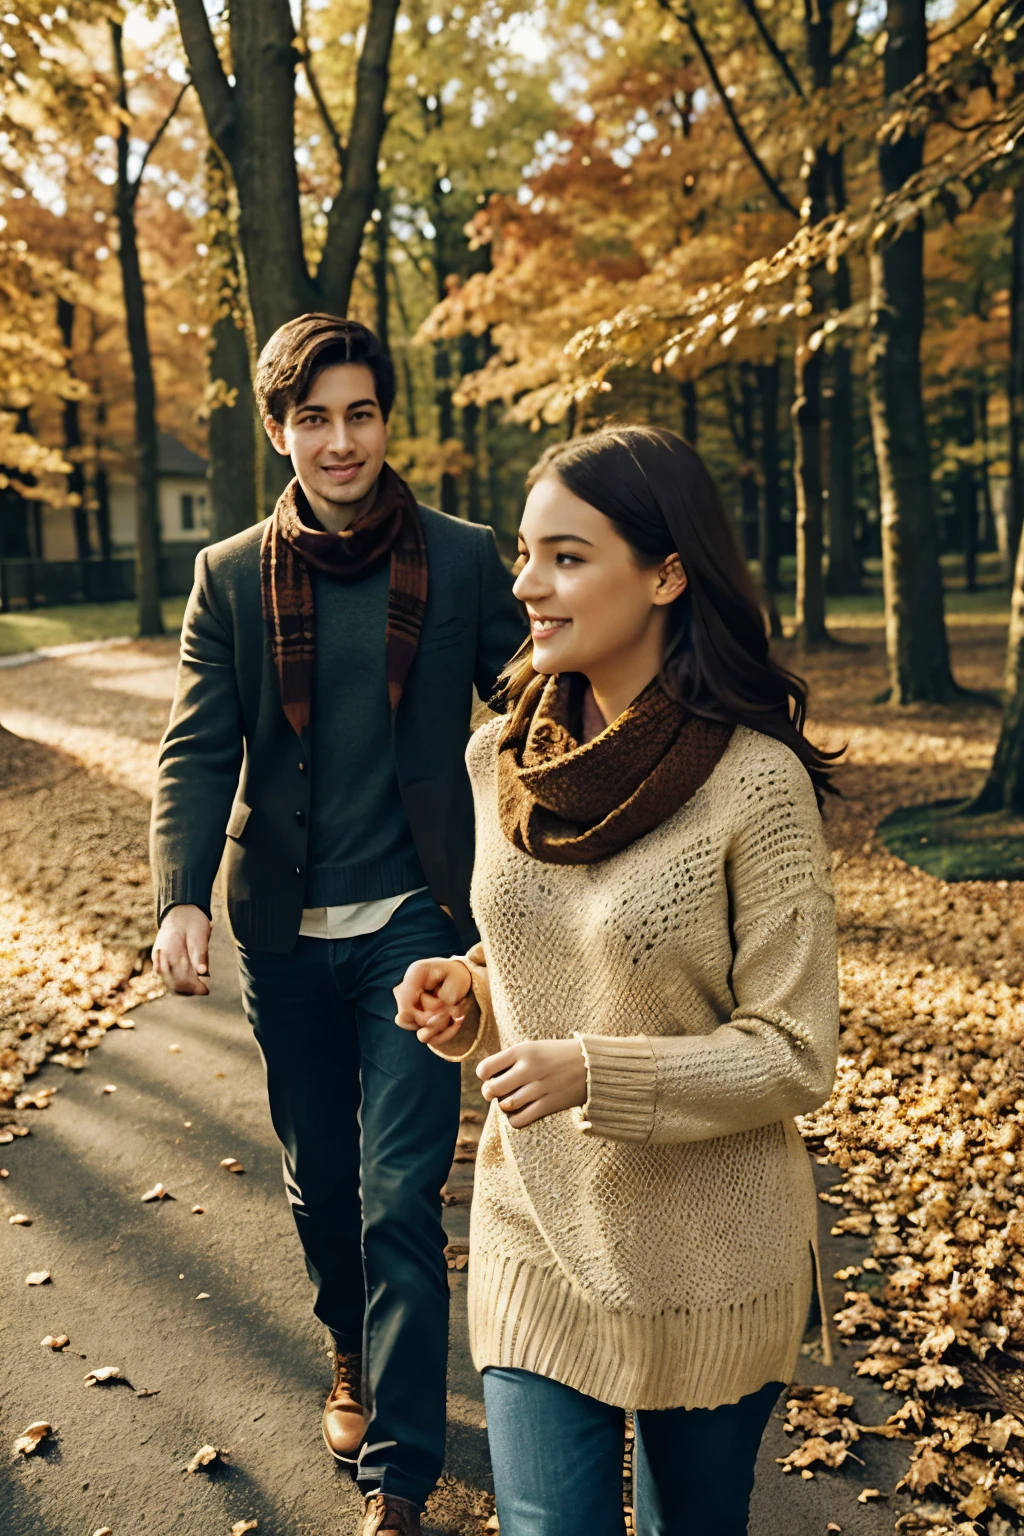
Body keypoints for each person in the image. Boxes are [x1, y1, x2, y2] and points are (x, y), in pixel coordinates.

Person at [394, 425, 841, 1536]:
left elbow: (795, 1052)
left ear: (666, 573)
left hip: (711, 1254)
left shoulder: (755, 783)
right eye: (525, 556)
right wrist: (470, 988)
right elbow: (539, 949)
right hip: (532, 1228)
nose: (527, 586)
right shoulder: (497, 757)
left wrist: (590, 1071)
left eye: (566, 557)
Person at [150, 313, 526, 1536]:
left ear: (386, 420)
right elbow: (201, 751)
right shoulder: (228, 574)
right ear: (279, 431)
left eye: (360, 412)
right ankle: (348, 1353)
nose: (340, 439)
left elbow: (542, 705)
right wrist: (178, 899)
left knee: (399, 1194)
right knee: (321, 1185)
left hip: (418, 925)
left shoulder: (466, 562)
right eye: (313, 417)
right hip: (284, 928)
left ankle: (400, 1479)